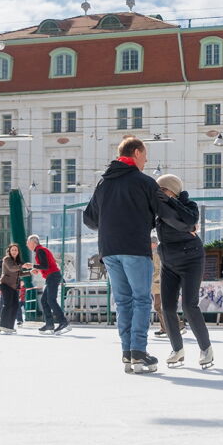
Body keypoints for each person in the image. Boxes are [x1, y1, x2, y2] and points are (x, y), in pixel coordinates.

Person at [83, 136, 192, 374]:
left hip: (109, 250)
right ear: (137, 153)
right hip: (134, 248)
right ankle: (139, 353)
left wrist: (111, 222)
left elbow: (89, 219)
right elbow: (166, 211)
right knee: (141, 299)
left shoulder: (104, 183)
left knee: (123, 302)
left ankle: (127, 353)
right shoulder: (144, 182)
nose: (146, 161)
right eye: (145, 156)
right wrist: (187, 224)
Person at [155, 174, 214, 369]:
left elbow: (191, 219)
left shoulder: (189, 205)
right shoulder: (159, 208)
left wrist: (171, 201)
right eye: (158, 190)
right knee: (167, 307)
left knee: (189, 305)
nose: (160, 194)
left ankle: (206, 348)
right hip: (168, 261)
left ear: (173, 191)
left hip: (191, 259)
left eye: (163, 190)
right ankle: (177, 349)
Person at [26, 235, 67, 334]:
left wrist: (32, 265)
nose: (27, 245)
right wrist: (36, 268)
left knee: (51, 300)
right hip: (51, 276)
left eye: (28, 243)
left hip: (53, 276)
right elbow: (46, 265)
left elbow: (45, 266)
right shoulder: (40, 250)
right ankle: (49, 324)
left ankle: (63, 322)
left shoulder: (40, 250)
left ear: (34, 242)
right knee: (44, 300)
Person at [0, 244, 25, 334]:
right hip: (5, 284)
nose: (14, 252)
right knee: (8, 304)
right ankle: (2, 325)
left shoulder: (17, 262)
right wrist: (23, 266)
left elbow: (20, 273)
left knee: (15, 305)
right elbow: (12, 268)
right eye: (12, 250)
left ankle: (9, 326)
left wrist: (30, 272)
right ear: (9, 251)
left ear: (18, 252)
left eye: (16, 250)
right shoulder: (7, 259)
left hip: (14, 286)